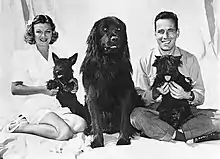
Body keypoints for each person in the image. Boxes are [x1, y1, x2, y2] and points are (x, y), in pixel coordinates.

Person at [130, 11, 220, 142]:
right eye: (161, 31)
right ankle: (186, 135)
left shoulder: (190, 59)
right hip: (158, 113)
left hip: (185, 112)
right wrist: (154, 93)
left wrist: (187, 95)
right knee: (135, 116)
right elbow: (138, 97)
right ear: (155, 34)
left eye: (170, 31)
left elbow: (200, 96)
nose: (165, 36)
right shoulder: (144, 61)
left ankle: (166, 132)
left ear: (177, 33)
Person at [4, 14, 86, 141]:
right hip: (36, 105)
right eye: (39, 32)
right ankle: (20, 126)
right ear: (32, 33)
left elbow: (68, 78)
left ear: (52, 33)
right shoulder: (23, 56)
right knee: (65, 133)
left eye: (47, 32)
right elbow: (15, 89)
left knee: (81, 124)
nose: (43, 36)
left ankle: (49, 126)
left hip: (56, 104)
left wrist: (73, 84)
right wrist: (43, 90)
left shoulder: (58, 53)